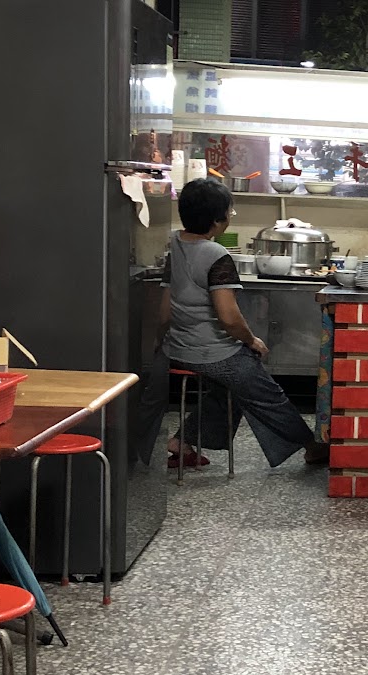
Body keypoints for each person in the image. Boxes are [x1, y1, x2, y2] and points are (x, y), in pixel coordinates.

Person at [137, 178, 327, 470]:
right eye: (229, 211)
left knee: (232, 387)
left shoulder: (176, 245)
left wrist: (160, 343)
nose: (230, 216)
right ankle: (311, 447)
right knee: (266, 392)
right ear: (217, 220)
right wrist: (252, 340)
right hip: (212, 352)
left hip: (177, 347)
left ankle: (182, 442)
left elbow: (164, 311)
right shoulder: (216, 254)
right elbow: (229, 318)